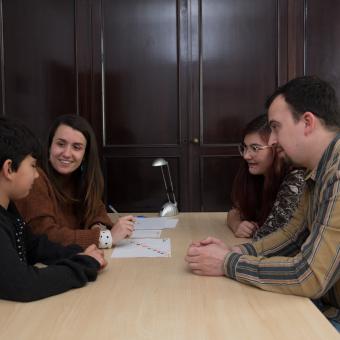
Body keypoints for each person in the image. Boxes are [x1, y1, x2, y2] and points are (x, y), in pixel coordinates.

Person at [185, 75, 340, 330]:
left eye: (276, 127)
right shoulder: (315, 170)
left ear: (308, 122)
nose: (272, 141)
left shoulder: (336, 174)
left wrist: (227, 263)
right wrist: (237, 251)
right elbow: (292, 236)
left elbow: (310, 276)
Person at [0, 117, 107, 302]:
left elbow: (34, 246)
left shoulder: (8, 209)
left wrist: (76, 254)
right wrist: (83, 265)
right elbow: (23, 284)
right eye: (33, 166)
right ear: (9, 169)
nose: (36, 175)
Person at [15, 114, 134, 249]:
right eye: (60, 144)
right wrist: (104, 238)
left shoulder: (81, 176)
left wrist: (97, 227)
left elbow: (97, 213)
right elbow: (45, 235)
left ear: (85, 155)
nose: (66, 153)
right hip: (43, 265)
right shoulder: (35, 178)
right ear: (49, 146)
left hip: (72, 258)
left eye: (76, 147)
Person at [227, 114, 305, 239]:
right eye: (245, 147)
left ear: (276, 146)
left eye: (255, 148)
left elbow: (277, 235)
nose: (246, 156)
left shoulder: (295, 180)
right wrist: (237, 225)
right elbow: (235, 211)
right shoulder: (253, 175)